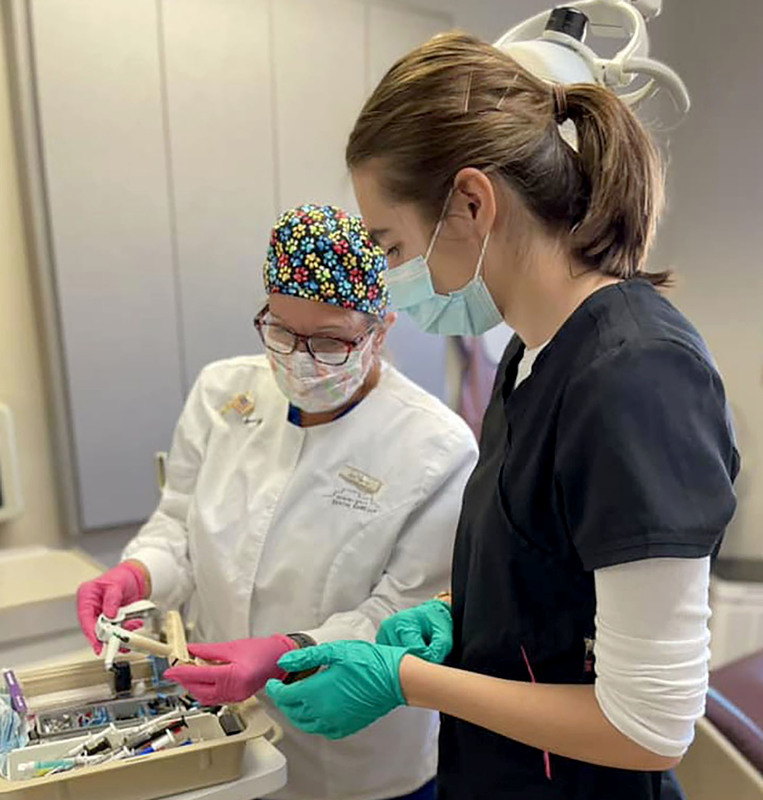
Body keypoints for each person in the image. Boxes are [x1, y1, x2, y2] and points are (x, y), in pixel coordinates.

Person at [265, 34, 741, 800]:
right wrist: (457, 613)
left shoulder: (636, 378)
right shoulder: (530, 354)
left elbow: (650, 726)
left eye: (390, 245)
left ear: (471, 203)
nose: (388, 276)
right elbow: (554, 574)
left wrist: (408, 680)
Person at [76, 204, 478, 800]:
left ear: (381, 330)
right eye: (283, 332)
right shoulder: (223, 392)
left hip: (358, 765)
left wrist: (285, 651)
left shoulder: (436, 448)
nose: (300, 359)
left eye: (331, 341)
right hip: (224, 737)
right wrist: (139, 574)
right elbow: (179, 526)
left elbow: (404, 613)